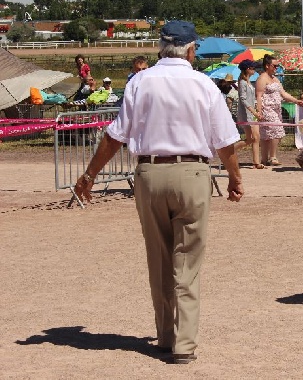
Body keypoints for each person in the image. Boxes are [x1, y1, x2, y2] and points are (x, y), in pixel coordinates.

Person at [73, 20, 243, 365]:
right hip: (193, 173)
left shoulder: (140, 82)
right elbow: (225, 142)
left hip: (149, 173)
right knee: (188, 259)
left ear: (161, 47)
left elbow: (114, 136)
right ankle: (185, 344)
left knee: (159, 257)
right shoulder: (204, 85)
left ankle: (165, 336)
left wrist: (90, 174)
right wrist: (235, 178)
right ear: (191, 49)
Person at [255, 54, 303, 166]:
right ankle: (273, 157)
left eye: (278, 66)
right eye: (275, 66)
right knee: (277, 131)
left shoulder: (275, 79)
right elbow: (259, 96)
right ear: (267, 66)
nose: (277, 68)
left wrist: (296, 101)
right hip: (267, 109)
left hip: (276, 109)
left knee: (268, 134)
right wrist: (259, 111)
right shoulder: (262, 79)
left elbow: (283, 94)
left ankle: (265, 159)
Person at [234, 59, 264, 169]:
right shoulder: (242, 83)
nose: (254, 70)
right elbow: (243, 99)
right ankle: (231, 149)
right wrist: (254, 112)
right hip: (246, 114)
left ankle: (256, 162)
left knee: (256, 137)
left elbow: (251, 98)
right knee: (250, 138)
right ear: (248, 69)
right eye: (253, 68)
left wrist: (256, 108)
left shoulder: (248, 82)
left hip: (252, 114)